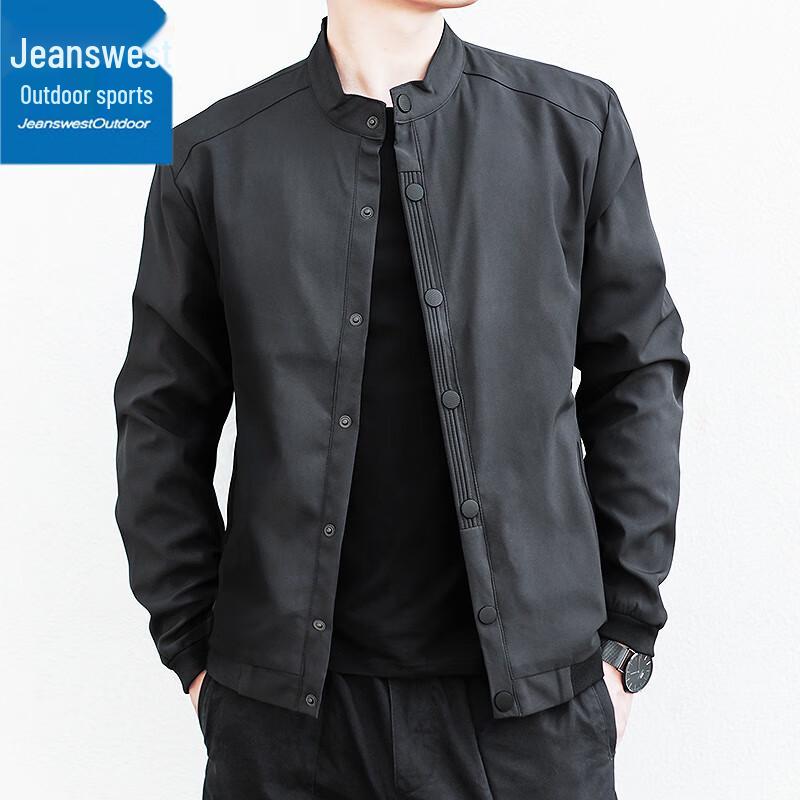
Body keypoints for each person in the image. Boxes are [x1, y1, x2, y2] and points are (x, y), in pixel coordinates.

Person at [114, 0, 688, 796]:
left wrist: (626, 640)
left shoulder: (573, 127)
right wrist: (193, 655)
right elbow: (160, 419)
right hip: (284, 730)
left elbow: (639, 374)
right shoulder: (212, 158)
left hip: (533, 725)